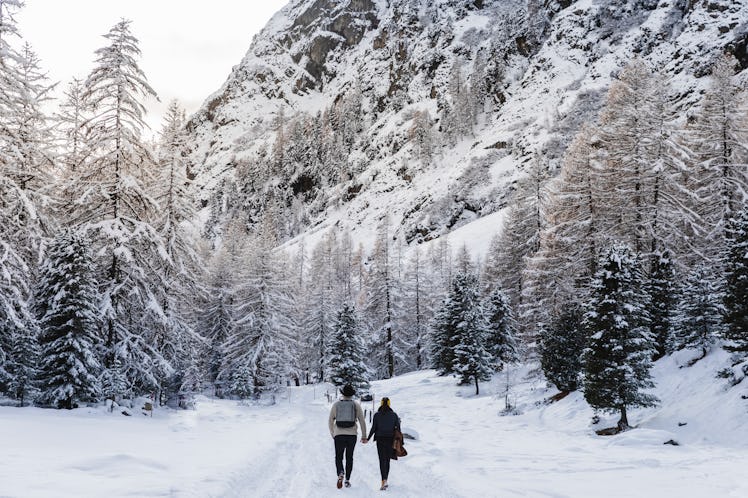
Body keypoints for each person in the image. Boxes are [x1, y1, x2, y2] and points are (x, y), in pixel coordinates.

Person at [328, 384, 368, 489]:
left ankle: (340, 472)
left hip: (339, 435)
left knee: (339, 457)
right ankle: (347, 480)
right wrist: (364, 436)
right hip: (352, 435)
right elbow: (362, 421)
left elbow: (330, 420)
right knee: (349, 457)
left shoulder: (336, 405)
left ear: (343, 394)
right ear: (351, 395)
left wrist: (333, 433)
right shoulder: (355, 405)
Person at [367, 397, 401, 491]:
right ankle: (386, 479)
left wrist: (368, 438)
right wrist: (400, 442)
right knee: (387, 460)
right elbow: (398, 429)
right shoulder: (394, 415)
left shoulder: (377, 415)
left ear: (381, 403)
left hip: (380, 439)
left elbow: (373, 428)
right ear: (389, 404)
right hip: (390, 440)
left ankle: (383, 480)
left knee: (382, 460)